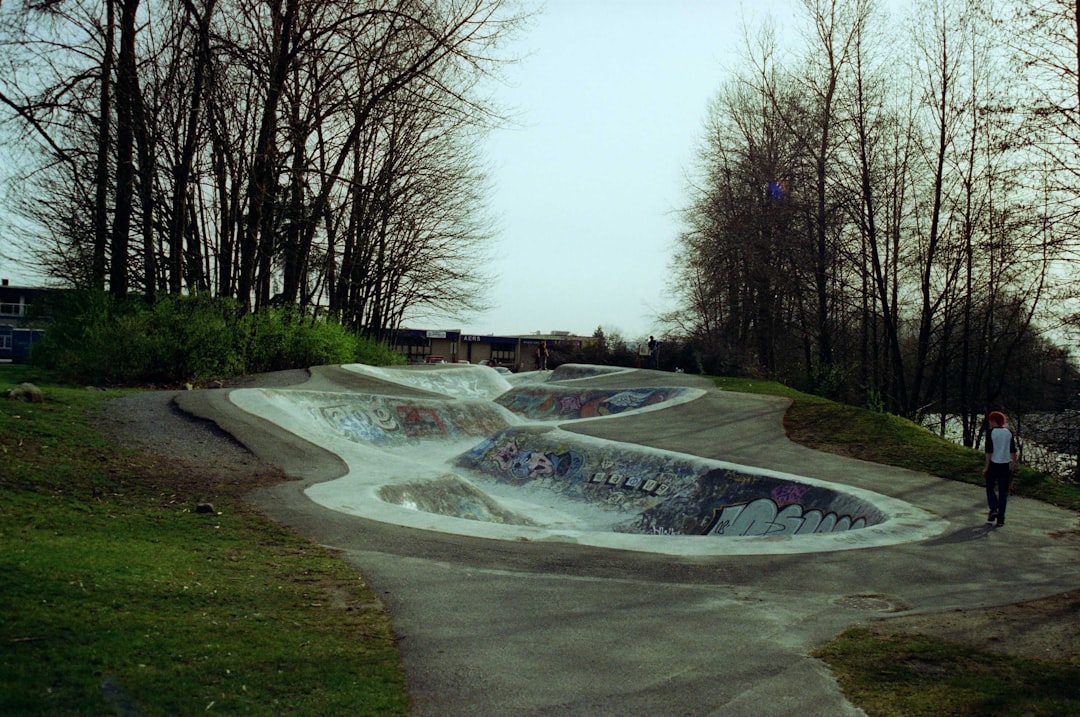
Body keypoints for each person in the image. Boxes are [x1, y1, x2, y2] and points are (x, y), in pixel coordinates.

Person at [982, 411, 1018, 527]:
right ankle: (1001, 518)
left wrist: (986, 467)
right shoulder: (1009, 432)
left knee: (990, 487)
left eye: (990, 420)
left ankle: (993, 508)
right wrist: (1014, 464)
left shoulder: (990, 433)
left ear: (993, 421)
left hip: (993, 464)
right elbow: (1013, 450)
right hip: (1005, 465)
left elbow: (989, 451)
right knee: (1003, 492)